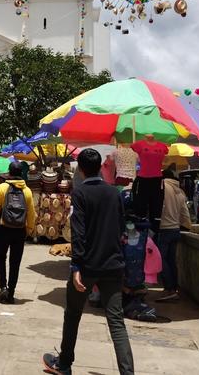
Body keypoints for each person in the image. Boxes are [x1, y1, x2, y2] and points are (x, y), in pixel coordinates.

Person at [43, 148, 134, 375]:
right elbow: (122, 229)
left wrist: (75, 266)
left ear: (81, 170)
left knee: (73, 314)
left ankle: (64, 363)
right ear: (99, 166)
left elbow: (79, 233)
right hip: (113, 265)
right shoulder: (114, 193)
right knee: (116, 321)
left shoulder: (81, 194)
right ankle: (128, 372)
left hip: (87, 266)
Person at [0, 163, 36, 303]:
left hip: (3, 229)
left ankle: (3, 287)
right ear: (21, 173)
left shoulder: (2, 188)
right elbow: (31, 214)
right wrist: (28, 230)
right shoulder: (27, 191)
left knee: (0, 258)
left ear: (9, 172)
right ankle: (11, 293)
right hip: (19, 230)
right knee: (15, 262)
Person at [156, 168, 192, 302]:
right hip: (175, 229)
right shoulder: (180, 191)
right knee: (171, 260)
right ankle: (172, 289)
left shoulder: (162, 186)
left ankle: (169, 288)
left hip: (164, 228)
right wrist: (188, 226)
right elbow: (185, 213)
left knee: (160, 259)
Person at [130, 133, 169, 233]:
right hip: (143, 178)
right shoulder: (138, 145)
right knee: (141, 207)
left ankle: (155, 233)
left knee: (156, 208)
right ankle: (141, 233)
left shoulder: (162, 146)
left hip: (157, 179)